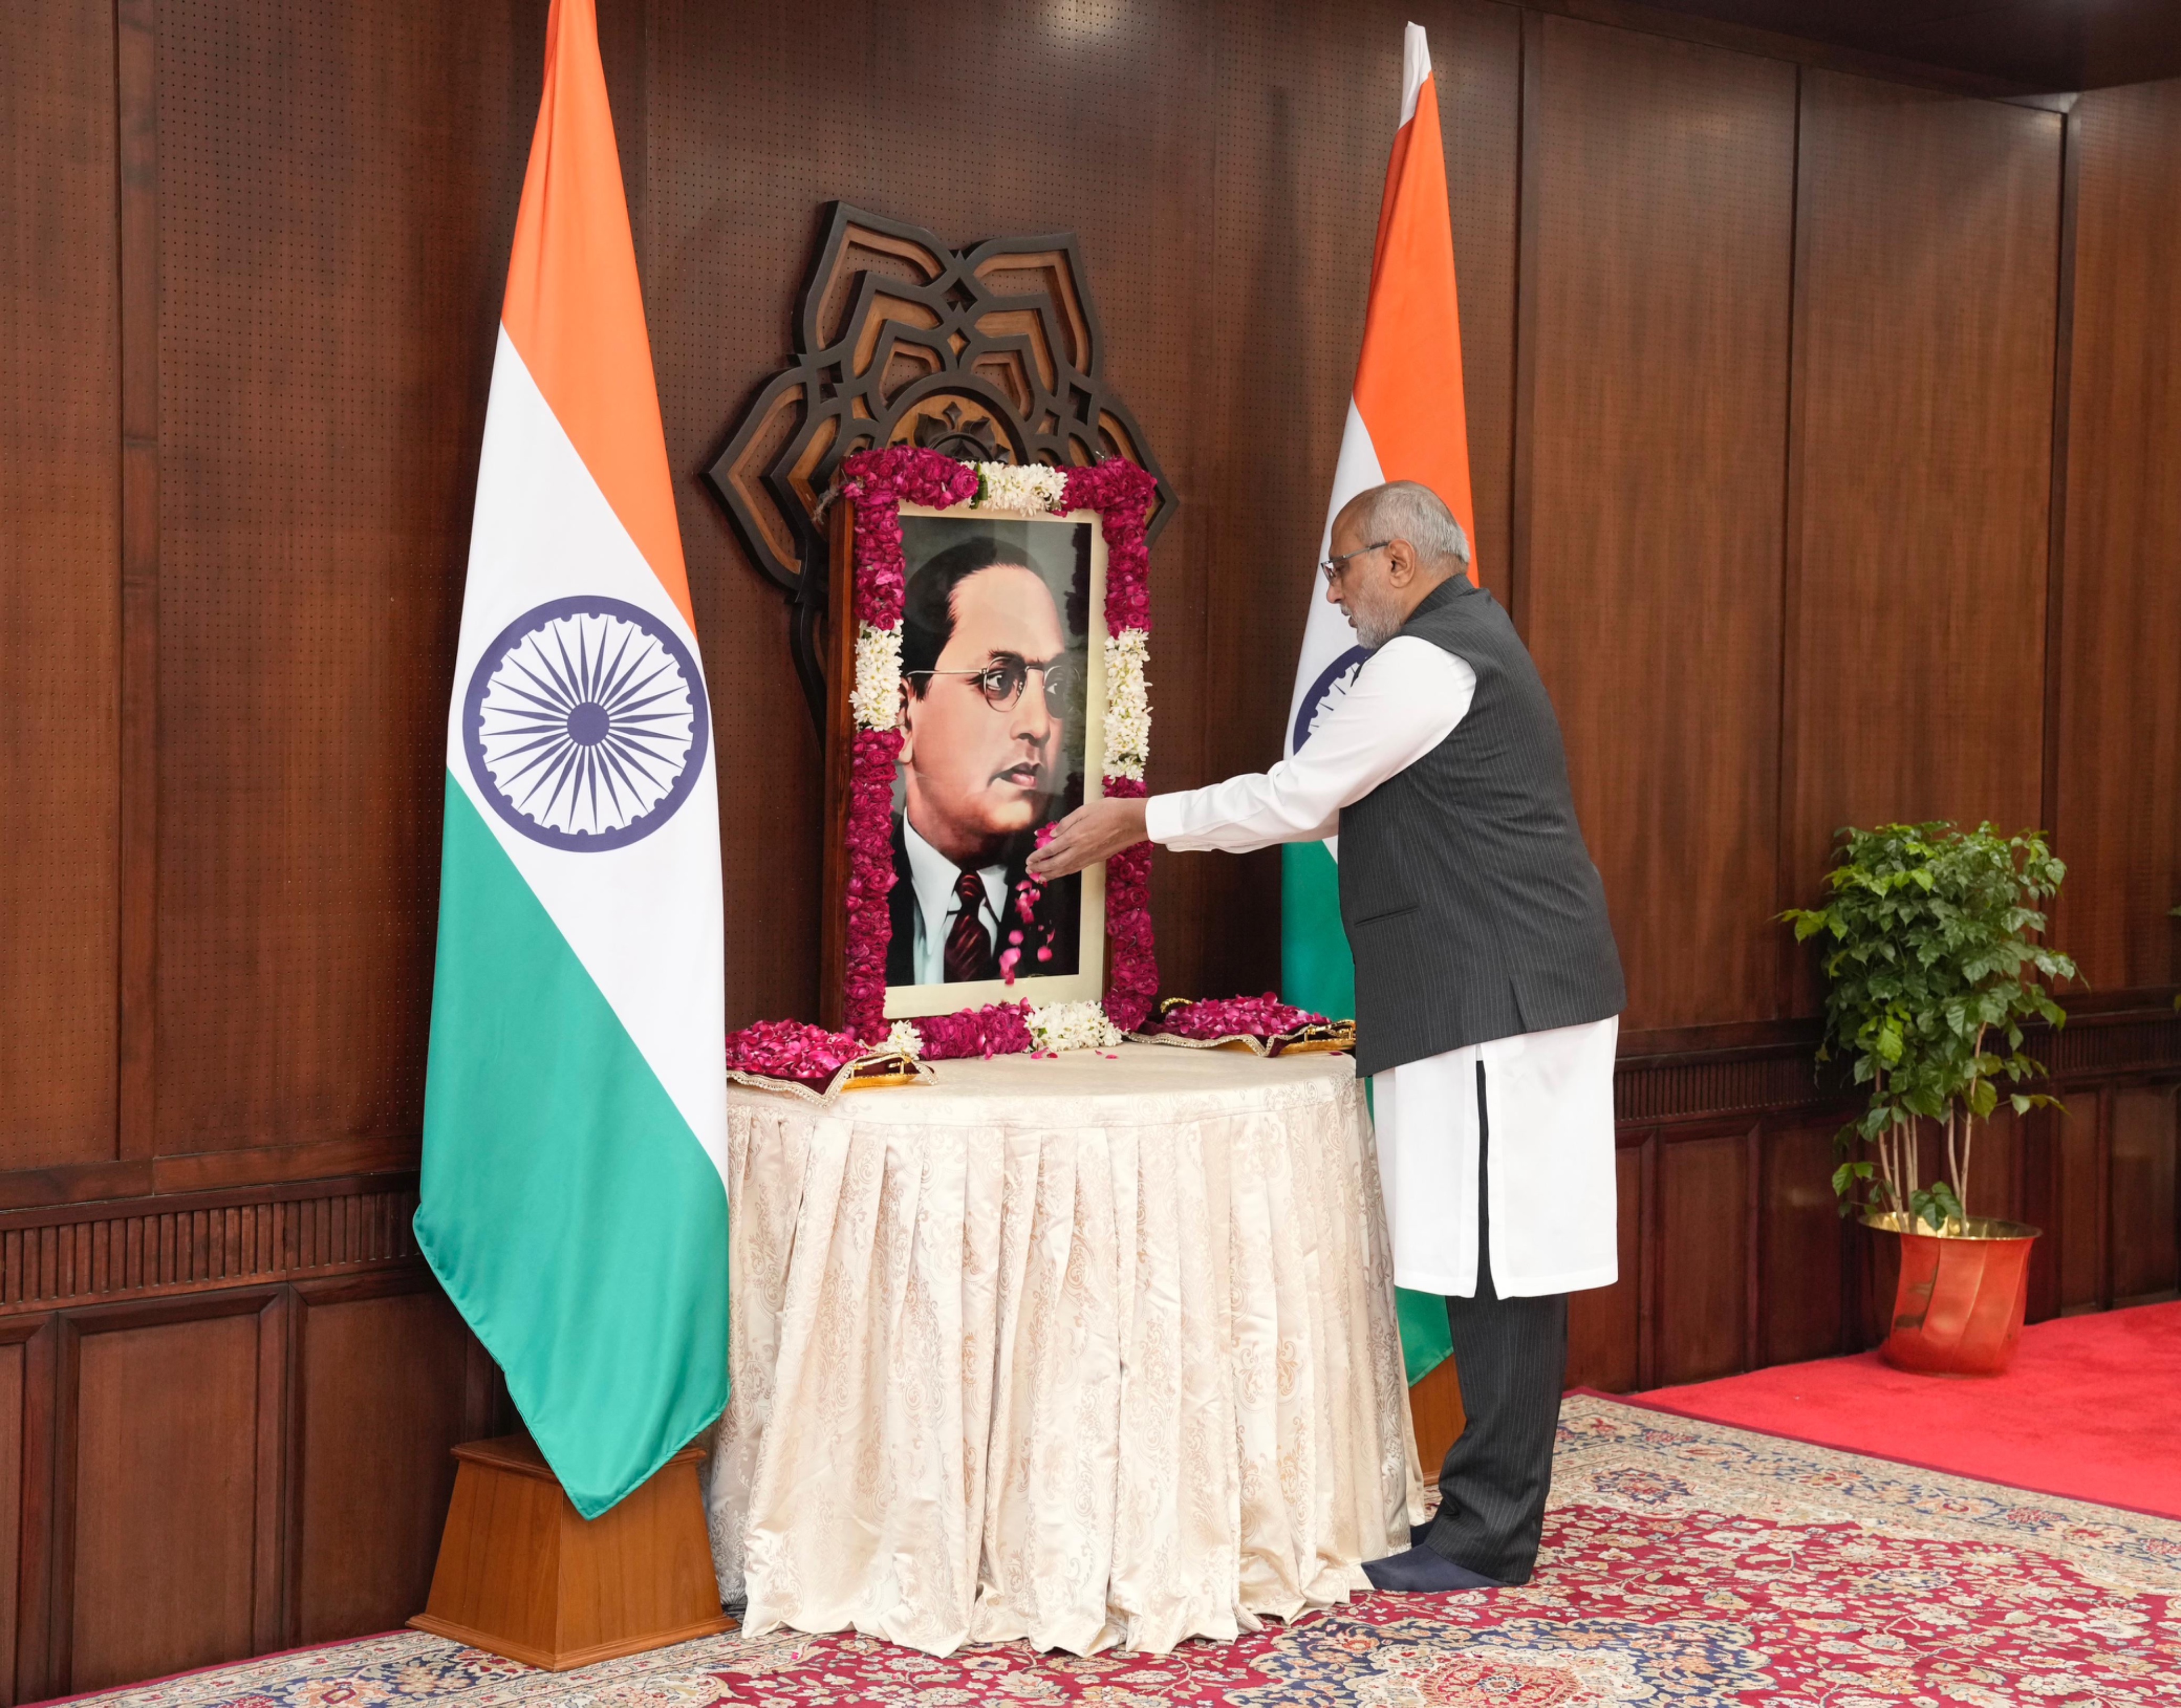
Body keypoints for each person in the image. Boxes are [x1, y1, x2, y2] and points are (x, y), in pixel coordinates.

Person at [1029, 480, 1624, 1594]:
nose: (1335, 594)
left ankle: (1490, 1531)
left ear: (1399, 560)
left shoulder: (1422, 660)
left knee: (1501, 1263)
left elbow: (1299, 798)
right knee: (1495, 1259)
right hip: (1497, 990)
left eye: (1341, 568)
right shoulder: (1463, 641)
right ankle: (1485, 1511)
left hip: (1496, 994)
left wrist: (1138, 818)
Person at [890, 535, 1080, 986]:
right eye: (998, 680)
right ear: (904, 718)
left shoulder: (1082, 910)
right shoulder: (848, 891)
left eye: (1053, 687)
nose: (1040, 724)